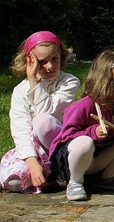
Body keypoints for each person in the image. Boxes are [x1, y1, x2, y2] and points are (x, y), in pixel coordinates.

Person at [48, 50, 114, 201]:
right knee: (84, 143)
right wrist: (92, 132)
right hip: (74, 161)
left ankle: (106, 177)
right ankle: (75, 182)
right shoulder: (85, 105)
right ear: (102, 81)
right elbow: (66, 136)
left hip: (99, 159)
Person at [0, 31, 79, 193]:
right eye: (42, 62)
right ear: (30, 61)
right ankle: (45, 173)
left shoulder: (69, 82)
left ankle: (62, 167)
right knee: (14, 182)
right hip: (34, 150)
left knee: (42, 120)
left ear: (61, 56)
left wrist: (35, 83)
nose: (49, 66)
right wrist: (33, 163)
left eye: (54, 59)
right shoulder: (20, 90)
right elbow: (20, 128)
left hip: (59, 146)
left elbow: (46, 111)